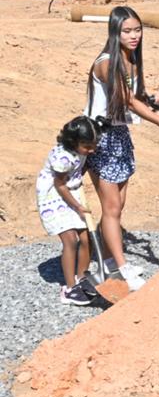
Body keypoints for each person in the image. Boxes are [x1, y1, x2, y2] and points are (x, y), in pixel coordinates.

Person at [85, 6, 159, 291]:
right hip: (99, 138)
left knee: (118, 206)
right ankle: (121, 269)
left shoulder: (130, 59)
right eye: (127, 31)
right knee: (111, 207)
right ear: (115, 31)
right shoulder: (106, 62)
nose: (134, 35)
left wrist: (152, 98)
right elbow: (126, 99)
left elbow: (136, 96)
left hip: (120, 134)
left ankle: (110, 261)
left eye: (137, 30)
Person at [37, 116, 102, 305]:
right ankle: (69, 288)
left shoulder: (81, 149)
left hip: (71, 191)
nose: (92, 150)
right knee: (71, 240)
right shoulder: (63, 158)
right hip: (54, 196)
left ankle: (82, 278)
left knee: (86, 237)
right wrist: (78, 207)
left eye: (94, 145)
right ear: (73, 142)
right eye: (87, 146)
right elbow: (60, 185)